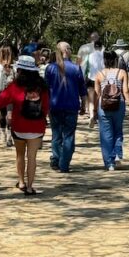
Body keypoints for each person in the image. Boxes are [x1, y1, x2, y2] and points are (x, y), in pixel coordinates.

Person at [0, 55, 50, 195]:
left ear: (19, 70)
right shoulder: (42, 86)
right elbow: (47, 107)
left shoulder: (14, 86)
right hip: (37, 127)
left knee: (20, 155)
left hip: (19, 127)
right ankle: (30, 187)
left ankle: (22, 182)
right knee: (32, 157)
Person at [44, 41, 88, 173]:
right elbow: (82, 89)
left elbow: (45, 89)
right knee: (69, 136)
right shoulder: (76, 68)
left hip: (55, 106)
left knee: (56, 135)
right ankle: (64, 163)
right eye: (69, 48)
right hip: (71, 107)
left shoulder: (50, 68)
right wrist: (83, 105)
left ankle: (56, 159)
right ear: (67, 51)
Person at [94, 48, 129, 172]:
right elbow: (125, 91)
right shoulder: (122, 73)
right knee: (118, 131)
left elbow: (97, 93)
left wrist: (95, 110)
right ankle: (117, 154)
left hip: (104, 107)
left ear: (104, 61)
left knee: (106, 135)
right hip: (119, 105)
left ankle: (109, 163)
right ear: (116, 60)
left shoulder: (99, 74)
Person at [0, 45, 15, 147]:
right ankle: (4, 134)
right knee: (3, 114)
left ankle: (9, 136)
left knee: (10, 114)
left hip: (11, 92)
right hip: (0, 92)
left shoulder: (14, 65)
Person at [82, 39, 105, 128]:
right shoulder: (103, 55)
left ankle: (92, 116)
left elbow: (84, 68)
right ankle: (97, 116)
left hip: (90, 79)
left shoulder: (89, 55)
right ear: (101, 47)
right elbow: (104, 67)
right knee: (99, 98)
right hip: (101, 79)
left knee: (91, 99)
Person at [76, 32, 99, 117]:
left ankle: (86, 108)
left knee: (84, 92)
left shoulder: (83, 47)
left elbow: (78, 61)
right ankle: (93, 111)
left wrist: (76, 70)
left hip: (83, 73)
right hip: (96, 73)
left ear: (90, 38)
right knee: (95, 92)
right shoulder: (101, 48)